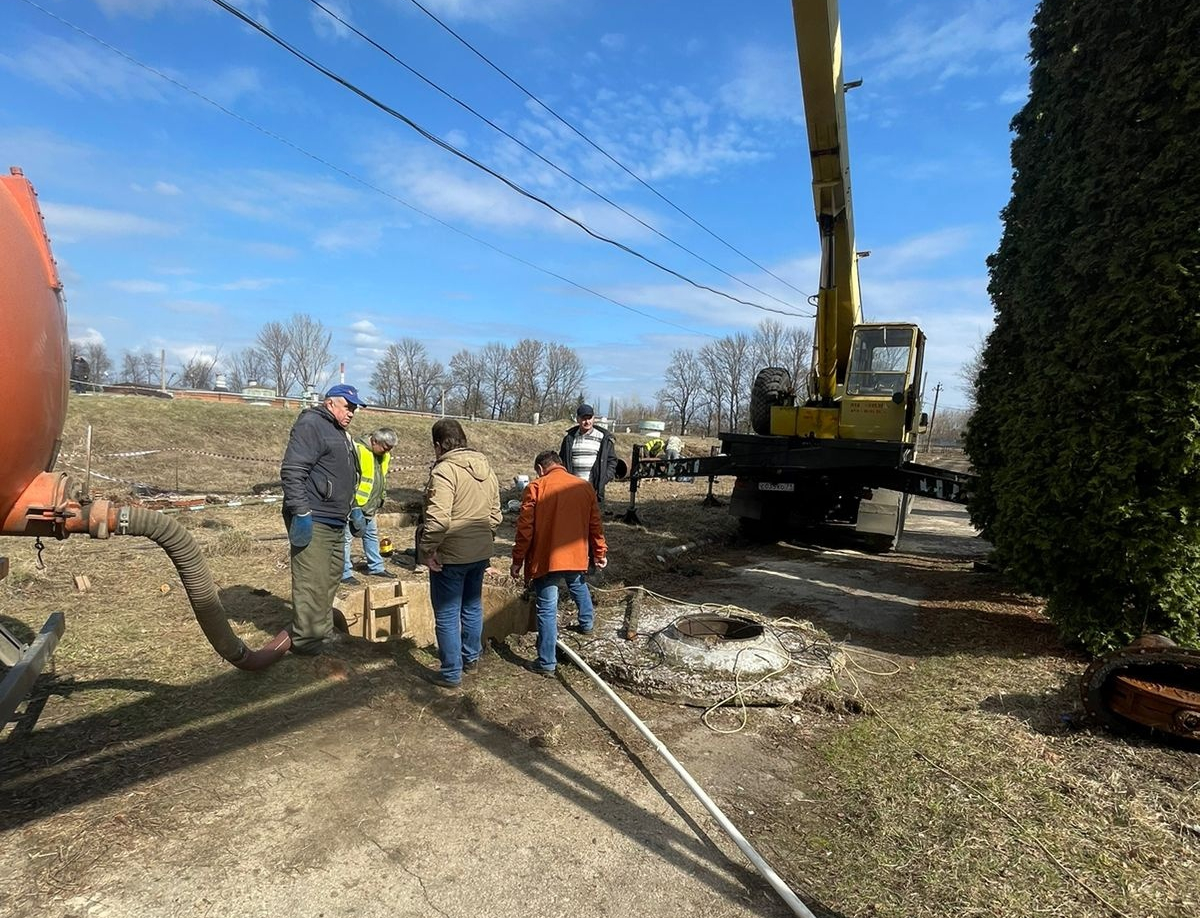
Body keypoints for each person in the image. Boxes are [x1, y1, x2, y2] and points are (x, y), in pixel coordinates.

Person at [280, 383, 364, 655]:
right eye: (348, 406)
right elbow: (293, 471)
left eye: (355, 408)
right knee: (311, 580)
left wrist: (353, 507)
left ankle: (322, 634)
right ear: (330, 403)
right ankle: (307, 643)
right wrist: (301, 512)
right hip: (314, 518)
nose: (352, 412)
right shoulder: (312, 425)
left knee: (330, 577)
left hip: (336, 520)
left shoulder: (340, 432)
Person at [419, 419, 502, 688]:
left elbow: (438, 519)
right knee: (472, 607)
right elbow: (495, 515)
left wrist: (427, 549)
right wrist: (482, 541)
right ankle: (471, 660)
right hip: (479, 554)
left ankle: (451, 673)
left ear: (437, 445)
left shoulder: (444, 471)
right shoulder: (487, 468)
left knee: (446, 614)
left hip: (451, 556)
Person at [511, 450, 607, 676]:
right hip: (575, 555)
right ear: (561, 465)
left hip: (547, 558)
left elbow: (524, 530)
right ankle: (586, 623)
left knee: (546, 608)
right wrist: (600, 552)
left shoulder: (535, 487)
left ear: (540, 469)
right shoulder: (584, 487)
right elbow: (595, 525)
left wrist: (517, 560)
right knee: (577, 583)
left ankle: (546, 662)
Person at [342, 426, 399, 585]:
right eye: (385, 448)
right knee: (346, 538)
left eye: (390, 449)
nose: (387, 451)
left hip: (370, 505)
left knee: (371, 535)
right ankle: (344, 572)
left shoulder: (383, 455)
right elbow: (348, 479)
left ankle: (376, 567)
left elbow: (379, 479)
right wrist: (353, 505)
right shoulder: (356, 450)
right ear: (374, 441)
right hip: (354, 506)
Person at [559, 404, 619, 503]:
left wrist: (603, 478)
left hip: (593, 489)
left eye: (589, 418)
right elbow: (562, 460)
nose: (587, 422)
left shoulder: (603, 439)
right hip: (572, 489)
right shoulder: (569, 439)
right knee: (574, 517)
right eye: (583, 418)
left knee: (591, 517)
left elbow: (612, 461)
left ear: (594, 418)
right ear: (577, 419)